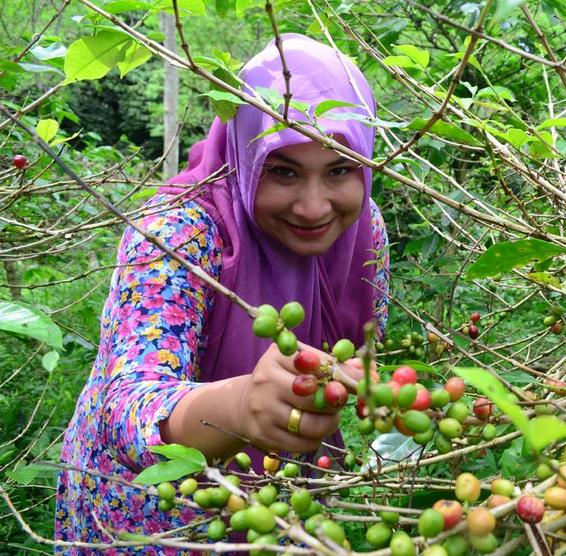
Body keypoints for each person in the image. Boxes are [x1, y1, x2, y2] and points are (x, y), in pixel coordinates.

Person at [54, 33, 389, 552]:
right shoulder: (177, 232)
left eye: (340, 170)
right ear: (242, 156)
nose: (313, 207)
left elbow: (362, 355)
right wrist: (239, 408)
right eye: (282, 171)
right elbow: (124, 407)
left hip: (281, 501)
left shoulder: (364, 232)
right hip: (153, 515)